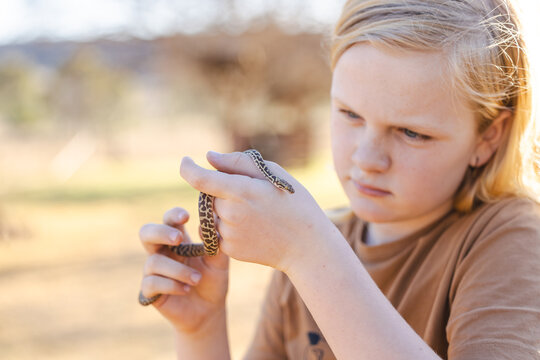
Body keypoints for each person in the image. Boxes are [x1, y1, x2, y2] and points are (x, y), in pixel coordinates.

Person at [138, 0, 540, 358]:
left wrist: (309, 253)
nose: (367, 158)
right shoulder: (313, 246)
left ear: (489, 136)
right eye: (350, 114)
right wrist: (201, 330)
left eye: (412, 133)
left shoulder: (512, 238)